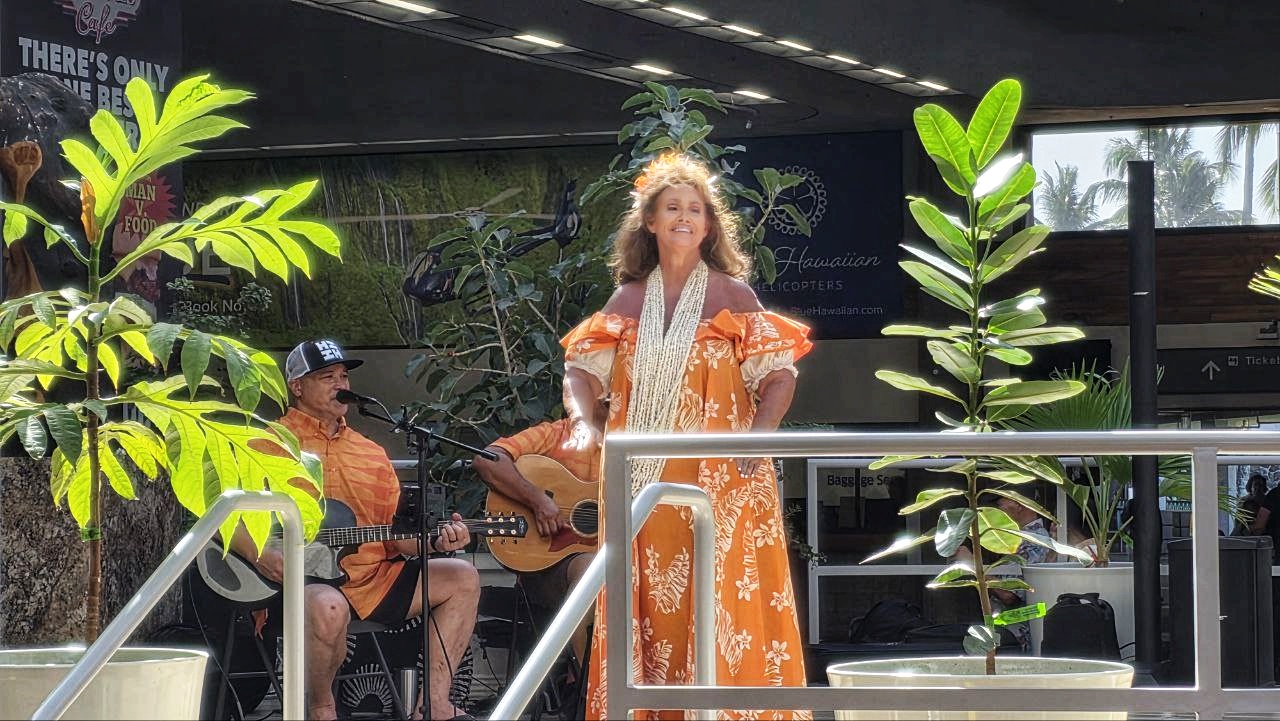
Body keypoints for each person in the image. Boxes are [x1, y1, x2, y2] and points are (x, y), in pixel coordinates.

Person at [560, 153, 813, 720]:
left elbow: (778, 376)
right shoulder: (626, 301)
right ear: (650, 221)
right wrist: (584, 422)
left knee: (723, 602)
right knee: (647, 605)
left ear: (709, 224)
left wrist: (755, 441)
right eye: (672, 207)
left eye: (694, 209)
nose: (683, 217)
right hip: (637, 486)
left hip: (721, 480)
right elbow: (581, 370)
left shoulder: (733, 296)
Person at [227, 339, 480, 721]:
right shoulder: (267, 441)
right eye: (327, 376)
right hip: (298, 583)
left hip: (373, 579)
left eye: (343, 375)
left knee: (462, 576)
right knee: (328, 605)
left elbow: (398, 539)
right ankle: (321, 709)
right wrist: (262, 557)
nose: (340, 384)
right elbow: (223, 513)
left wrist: (436, 541)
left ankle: (435, 705)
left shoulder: (372, 453)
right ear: (297, 387)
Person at [471, 413, 602, 670]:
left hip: (627, 571)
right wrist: (538, 501)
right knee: (592, 569)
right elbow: (487, 461)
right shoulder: (555, 434)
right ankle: (592, 685)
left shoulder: (638, 446)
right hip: (547, 572)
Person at [1239, 473, 1270, 537]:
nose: (1258, 487)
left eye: (1260, 485)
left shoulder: (1268, 500)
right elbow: (1239, 521)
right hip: (1246, 534)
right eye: (1255, 484)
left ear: (1264, 487)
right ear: (1250, 487)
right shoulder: (1243, 500)